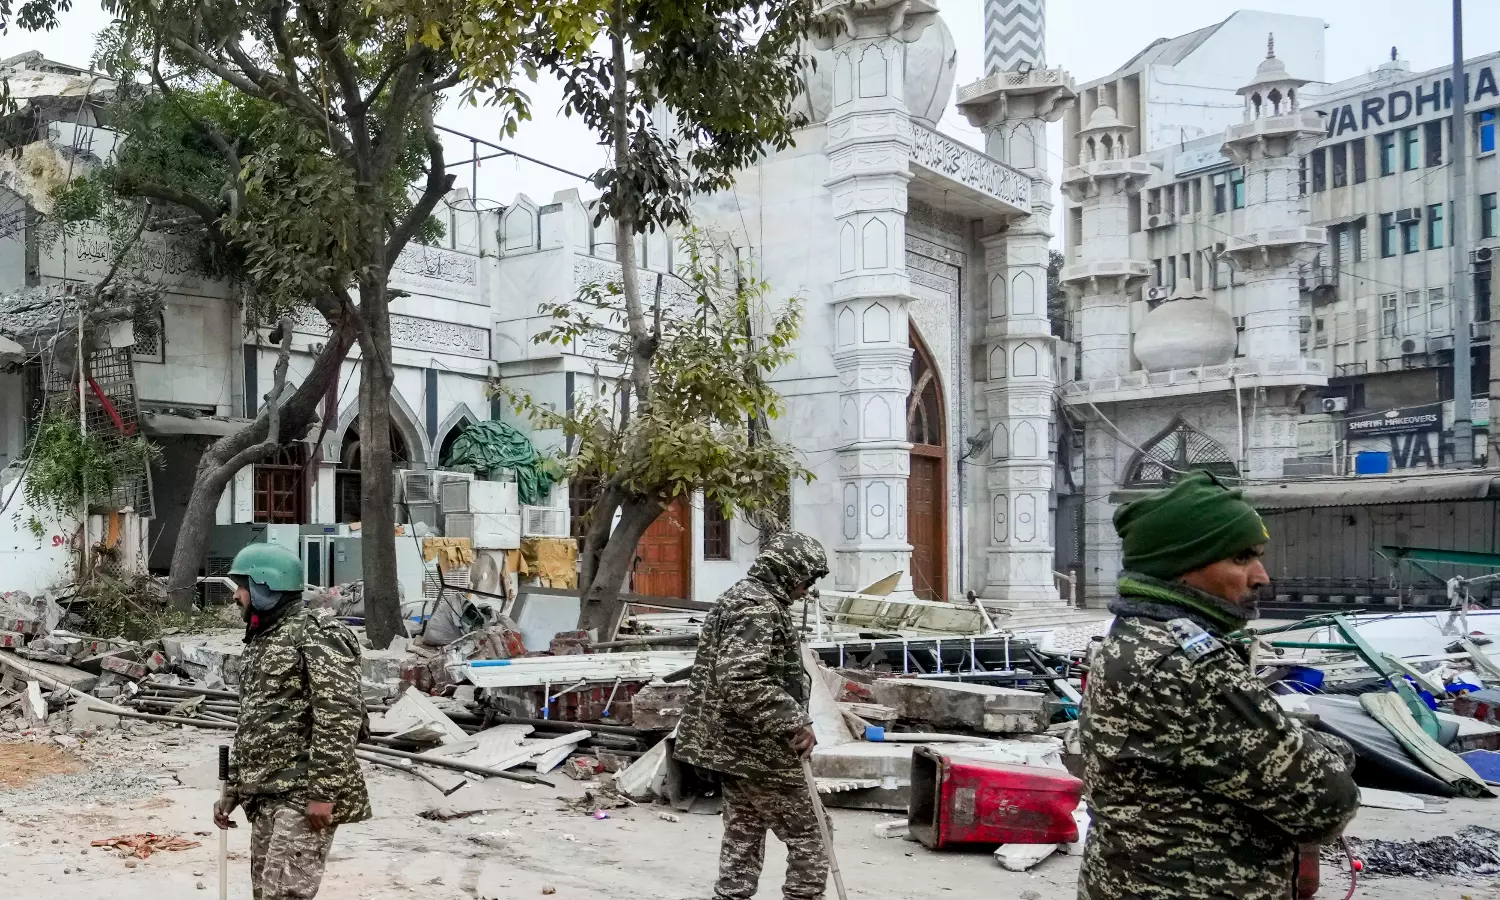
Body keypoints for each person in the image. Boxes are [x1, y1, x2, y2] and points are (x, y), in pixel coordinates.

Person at [1077, 471, 1360, 900]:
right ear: (1181, 568)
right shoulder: (1188, 666)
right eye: (1241, 559)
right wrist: (1333, 751)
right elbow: (1325, 804)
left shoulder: (1136, 635)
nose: (1261, 576)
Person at [675, 530, 831, 900]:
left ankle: (732, 895)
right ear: (788, 573)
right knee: (811, 832)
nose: (806, 590)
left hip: (731, 744)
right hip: (755, 747)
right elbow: (741, 678)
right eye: (806, 580)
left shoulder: (742, 596)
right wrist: (794, 719)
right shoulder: (757, 607)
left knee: (744, 828)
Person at [211, 543, 370, 900]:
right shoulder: (263, 638)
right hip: (266, 793)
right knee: (266, 893)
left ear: (266, 587)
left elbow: (339, 716)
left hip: (301, 795)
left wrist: (324, 794)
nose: (236, 596)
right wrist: (234, 788)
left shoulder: (316, 633)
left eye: (243, 586)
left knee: (284, 895)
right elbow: (257, 720)